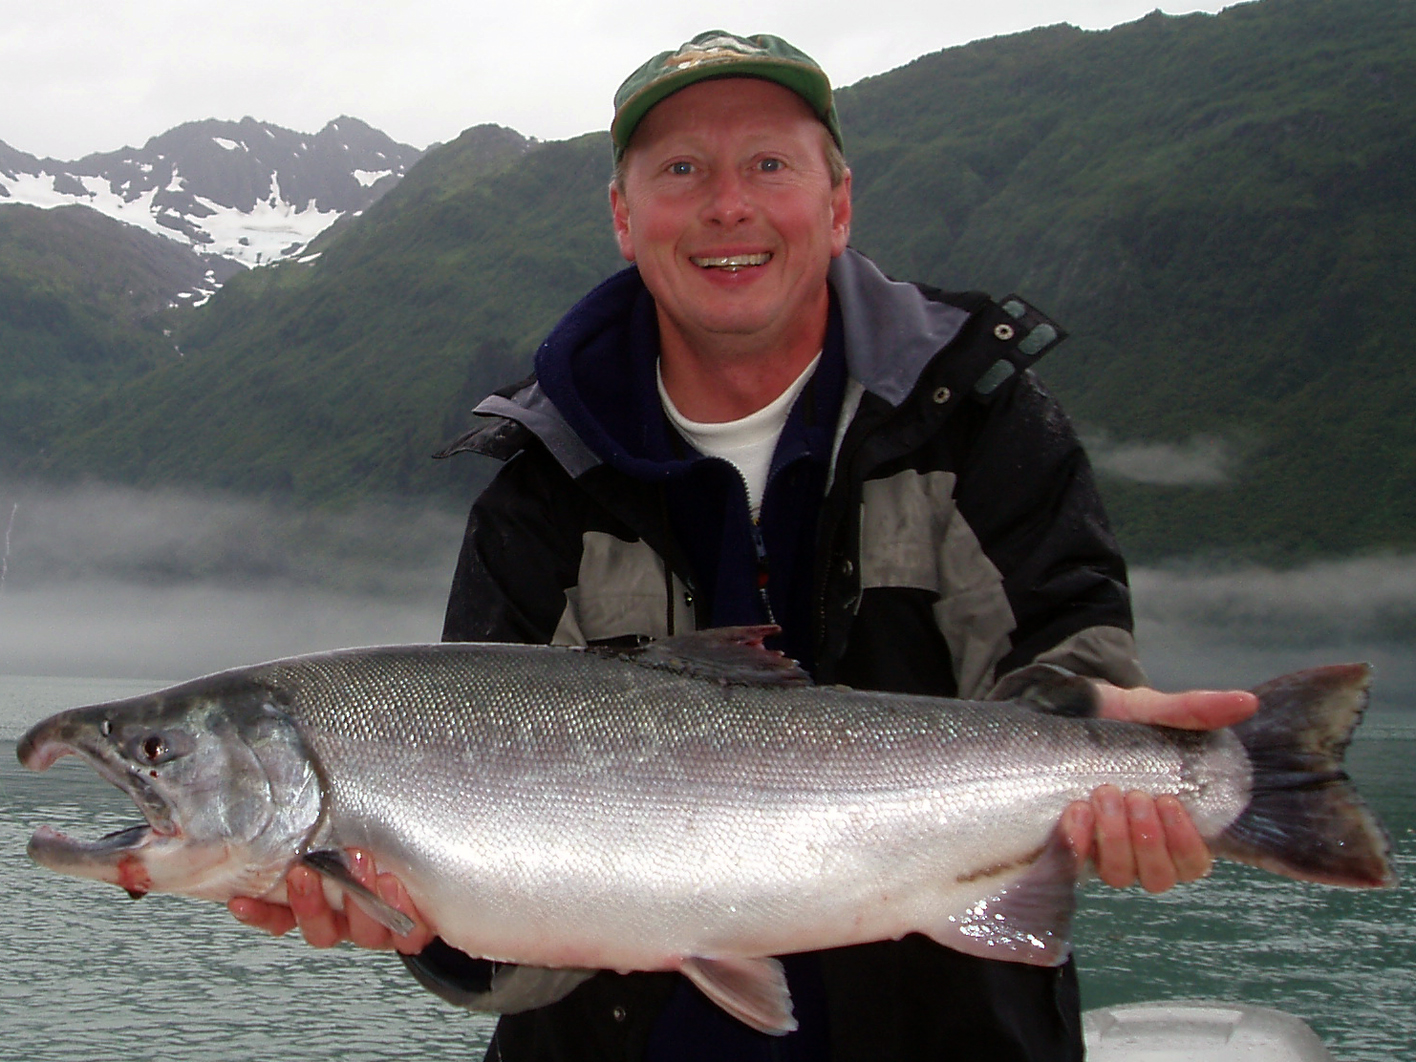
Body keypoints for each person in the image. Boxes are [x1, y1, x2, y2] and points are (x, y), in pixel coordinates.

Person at [230, 30, 1257, 1061]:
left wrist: (1112, 745)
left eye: (768, 163)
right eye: (683, 170)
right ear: (626, 219)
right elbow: (503, 939)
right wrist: (419, 920)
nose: (729, 204)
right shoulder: (538, 490)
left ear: (839, 204)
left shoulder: (979, 419)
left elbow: (1064, 652)